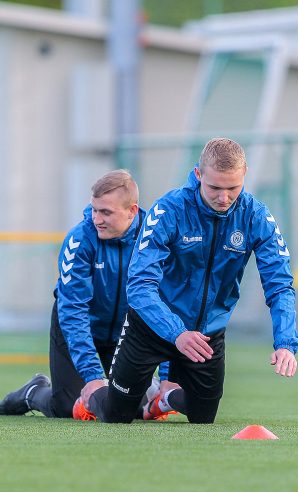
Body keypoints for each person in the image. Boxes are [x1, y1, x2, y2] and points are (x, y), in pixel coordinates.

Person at [78, 138, 298, 424]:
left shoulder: (257, 217)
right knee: (116, 415)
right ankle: (92, 391)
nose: (224, 197)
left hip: (206, 335)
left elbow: (280, 284)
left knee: (202, 417)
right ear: (198, 175)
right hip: (151, 327)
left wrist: (285, 342)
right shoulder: (169, 210)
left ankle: (163, 398)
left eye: (233, 188)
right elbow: (140, 285)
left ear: (245, 174)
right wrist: (176, 333)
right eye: (215, 188)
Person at [0, 170, 172, 419]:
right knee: (69, 406)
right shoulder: (79, 240)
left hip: (125, 335)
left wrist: (168, 376)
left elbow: (166, 305)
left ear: (132, 211)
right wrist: (93, 377)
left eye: (106, 212)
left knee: (128, 408)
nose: (97, 219)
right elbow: (73, 310)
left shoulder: (154, 240)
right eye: (94, 210)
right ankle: (33, 391)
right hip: (78, 327)